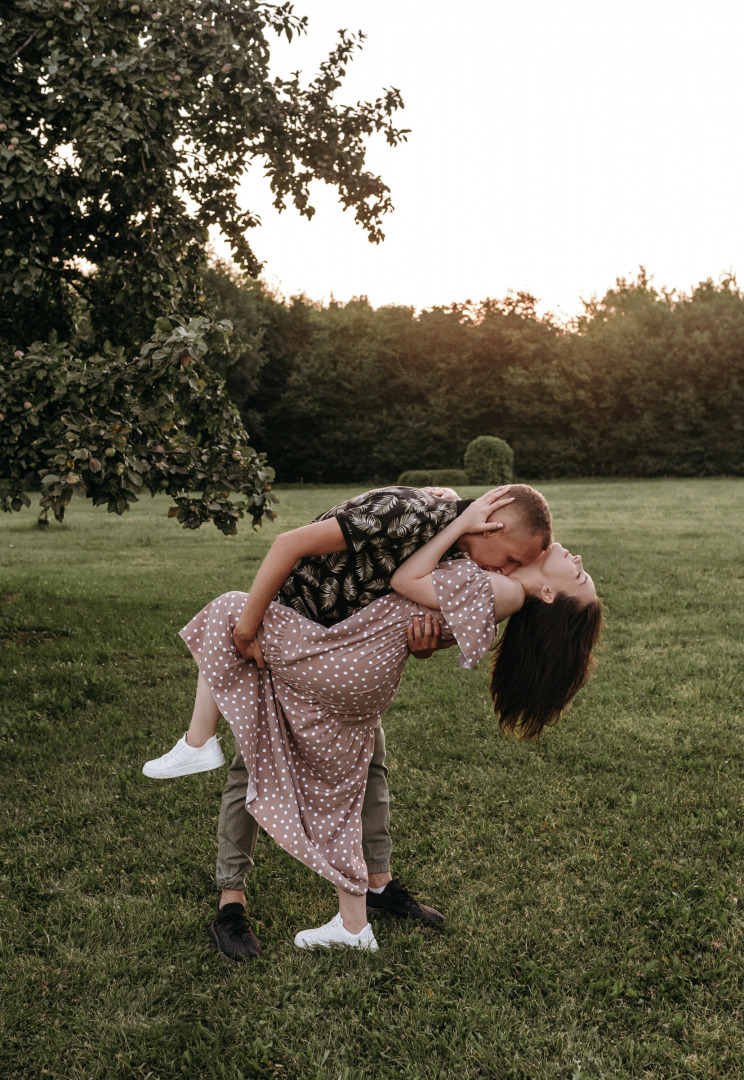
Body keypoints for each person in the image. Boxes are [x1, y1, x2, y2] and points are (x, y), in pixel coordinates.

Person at [144, 490, 602, 952]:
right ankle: (323, 901)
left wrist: (455, 534)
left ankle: (202, 756)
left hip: (336, 656)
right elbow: (427, 607)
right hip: (347, 655)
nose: (574, 555)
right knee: (357, 773)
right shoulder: (477, 558)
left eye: (578, 573)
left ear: (548, 592)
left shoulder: (500, 581)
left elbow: (410, 585)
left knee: (234, 631)